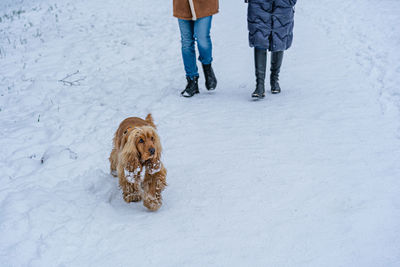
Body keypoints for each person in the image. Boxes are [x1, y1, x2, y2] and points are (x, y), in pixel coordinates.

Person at [245, 0, 297, 99]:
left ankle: (274, 79)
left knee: (279, 38)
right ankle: (259, 85)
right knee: (259, 38)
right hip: (259, 4)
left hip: (282, 4)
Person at [173, 0, 219, 97]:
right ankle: (192, 80)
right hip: (182, 5)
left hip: (205, 4)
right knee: (186, 42)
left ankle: (207, 67)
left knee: (202, 38)